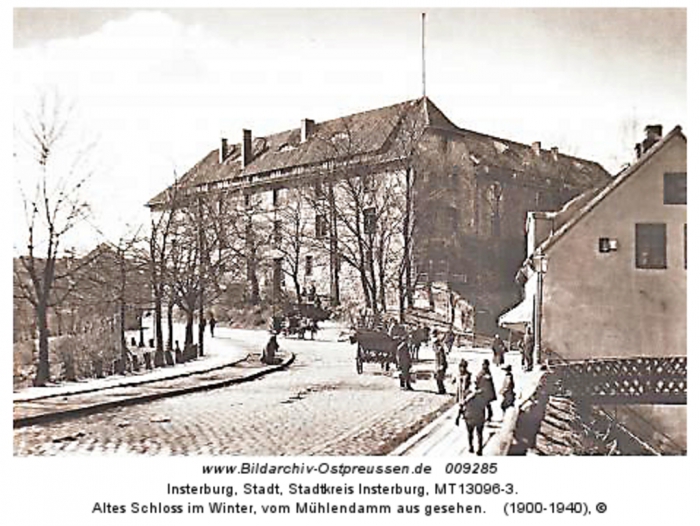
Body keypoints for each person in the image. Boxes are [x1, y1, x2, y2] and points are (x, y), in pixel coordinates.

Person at [462, 390, 487, 455]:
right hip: (479, 418)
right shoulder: (481, 399)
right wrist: (484, 418)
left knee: (470, 434)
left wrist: (461, 416)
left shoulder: (466, 400)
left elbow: (462, 408)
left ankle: (471, 447)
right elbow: (484, 409)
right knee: (479, 434)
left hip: (469, 419)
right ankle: (480, 449)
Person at [454, 359, 471, 426]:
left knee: (463, 405)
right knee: (461, 405)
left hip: (465, 392)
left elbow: (468, 384)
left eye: (463, 367)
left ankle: (458, 417)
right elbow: (455, 381)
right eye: (460, 367)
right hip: (459, 392)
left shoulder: (468, 375)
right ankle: (461, 415)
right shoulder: (458, 375)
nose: (461, 369)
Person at [433, 329, 448, 395]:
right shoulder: (438, 350)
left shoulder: (440, 350)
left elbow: (442, 358)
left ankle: (441, 390)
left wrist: (441, 366)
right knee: (438, 378)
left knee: (439, 378)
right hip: (439, 365)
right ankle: (442, 389)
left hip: (441, 365)